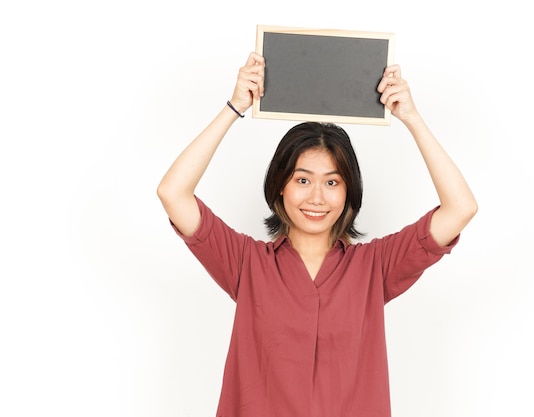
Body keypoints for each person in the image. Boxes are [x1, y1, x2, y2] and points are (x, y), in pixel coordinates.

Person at [157, 51, 477, 417]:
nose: (316, 197)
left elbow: (460, 208)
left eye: (332, 182)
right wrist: (234, 107)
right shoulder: (245, 263)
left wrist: (412, 118)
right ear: (280, 185)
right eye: (303, 180)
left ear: (348, 192)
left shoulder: (376, 267)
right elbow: (173, 192)